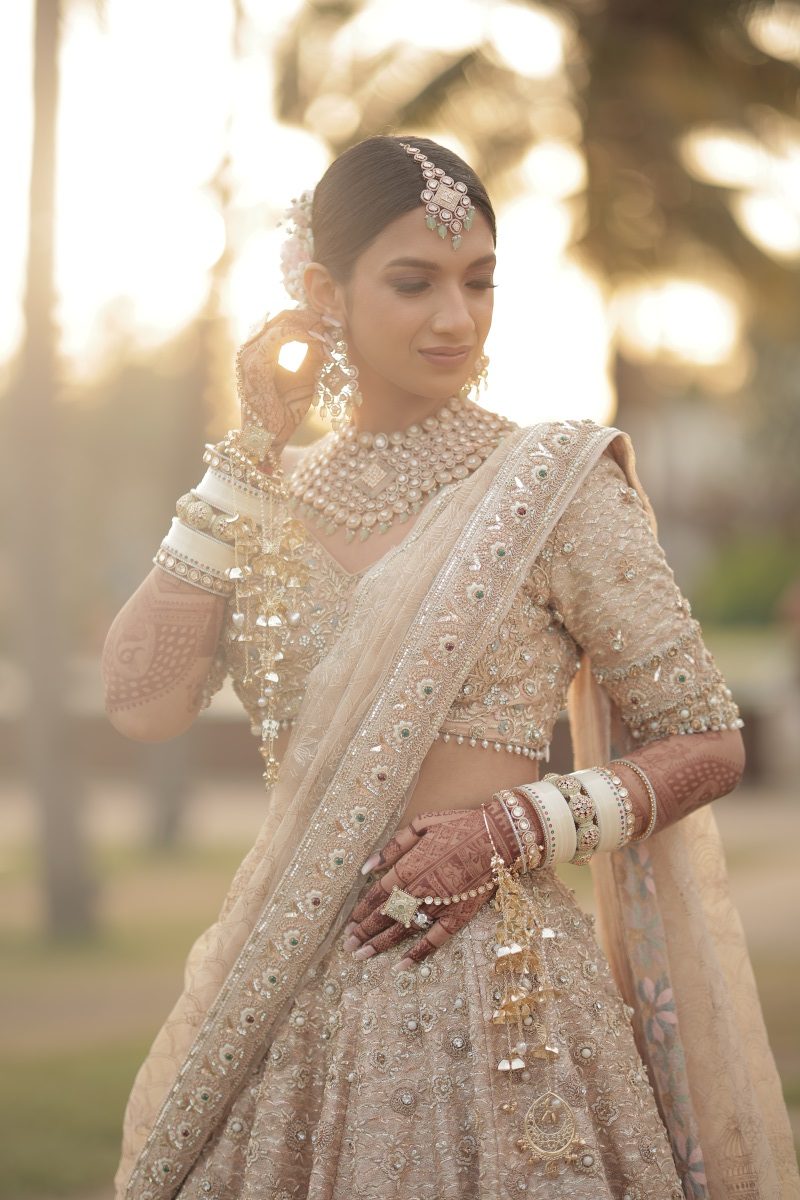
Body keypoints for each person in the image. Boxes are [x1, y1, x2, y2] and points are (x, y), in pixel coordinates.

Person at [103, 136, 798, 1200]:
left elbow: (706, 744)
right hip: (281, 996)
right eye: (412, 282)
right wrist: (247, 448)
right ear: (320, 293)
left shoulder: (549, 487)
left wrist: (510, 830)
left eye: (478, 283)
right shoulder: (260, 494)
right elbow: (141, 703)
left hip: (495, 994)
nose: (454, 318)